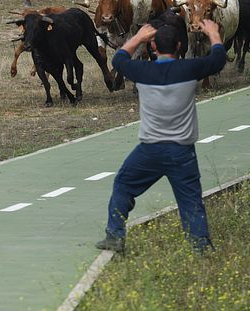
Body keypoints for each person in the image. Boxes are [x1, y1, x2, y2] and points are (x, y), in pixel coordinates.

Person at [95, 20, 226, 254]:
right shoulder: (190, 69)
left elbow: (118, 60)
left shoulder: (143, 72)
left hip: (149, 150)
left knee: (124, 185)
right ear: (179, 46)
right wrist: (213, 34)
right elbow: (217, 60)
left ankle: (115, 236)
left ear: (153, 47)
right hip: (182, 151)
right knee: (190, 201)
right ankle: (201, 248)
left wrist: (138, 38)